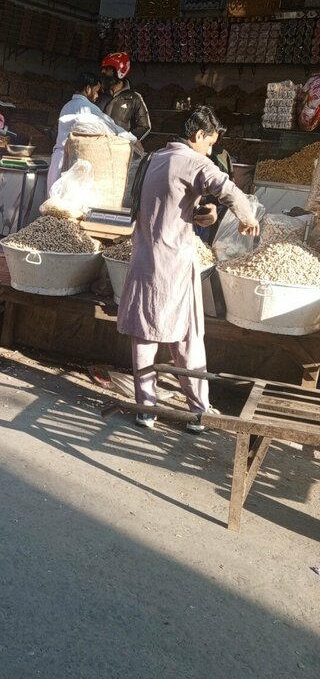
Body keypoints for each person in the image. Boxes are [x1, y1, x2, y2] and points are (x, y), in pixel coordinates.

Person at [117, 105, 259, 433]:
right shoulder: (194, 161)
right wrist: (247, 215)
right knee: (188, 337)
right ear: (197, 135)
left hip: (143, 260)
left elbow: (162, 205)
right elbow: (226, 187)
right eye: (209, 143)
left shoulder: (154, 158)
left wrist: (198, 214)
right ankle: (198, 412)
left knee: (144, 337)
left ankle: (145, 410)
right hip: (174, 265)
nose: (209, 151)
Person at [47, 72, 137, 192]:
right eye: (96, 91)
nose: (97, 95)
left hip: (58, 161)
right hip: (73, 164)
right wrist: (133, 138)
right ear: (88, 89)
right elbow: (112, 128)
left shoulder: (66, 106)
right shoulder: (88, 108)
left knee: (53, 200)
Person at [98, 52, 151, 142]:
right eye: (103, 69)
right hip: (98, 146)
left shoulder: (134, 98)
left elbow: (144, 126)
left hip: (120, 148)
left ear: (120, 71)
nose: (103, 72)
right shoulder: (98, 96)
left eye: (107, 69)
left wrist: (126, 140)